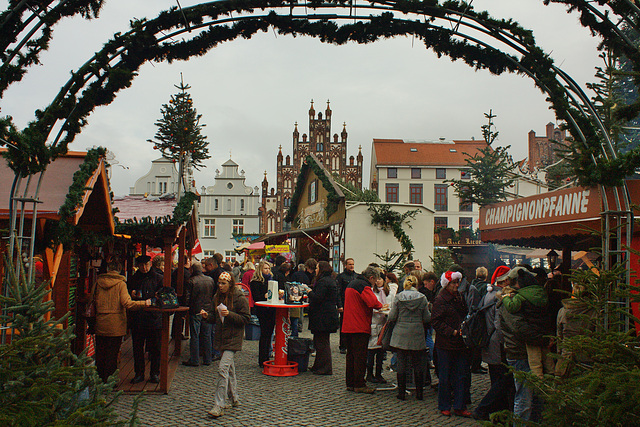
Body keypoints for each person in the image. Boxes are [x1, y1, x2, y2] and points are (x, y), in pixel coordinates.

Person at [202, 272, 251, 418]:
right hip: (222, 337)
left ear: (230, 284)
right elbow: (214, 317)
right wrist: (207, 316)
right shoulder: (217, 296)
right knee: (229, 368)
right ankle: (234, 397)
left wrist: (229, 314)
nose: (220, 285)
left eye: (223, 283)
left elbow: (246, 318)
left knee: (222, 368)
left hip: (233, 338)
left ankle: (219, 405)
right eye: (219, 283)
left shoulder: (239, 297)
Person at [94, 259, 150, 383]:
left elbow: (92, 300)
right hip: (115, 323)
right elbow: (127, 303)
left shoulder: (98, 282)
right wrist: (143, 303)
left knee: (101, 352)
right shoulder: (120, 284)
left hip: (100, 321)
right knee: (112, 353)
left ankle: (99, 378)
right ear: (119, 270)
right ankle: (110, 380)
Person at [473, 265, 515, 421]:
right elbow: (499, 324)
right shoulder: (499, 297)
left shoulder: (488, 295)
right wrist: (507, 342)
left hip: (489, 341)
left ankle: (498, 414)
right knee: (503, 379)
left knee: (496, 378)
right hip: (498, 343)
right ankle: (483, 409)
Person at [431, 270, 472, 418]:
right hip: (446, 344)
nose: (456, 285)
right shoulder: (440, 299)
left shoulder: (459, 297)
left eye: (457, 282)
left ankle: (460, 405)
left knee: (461, 375)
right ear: (447, 284)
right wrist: (452, 332)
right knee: (445, 376)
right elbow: (435, 321)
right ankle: (444, 405)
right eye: (454, 282)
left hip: (460, 343)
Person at [342, 265, 387, 394]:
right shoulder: (363, 285)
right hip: (359, 325)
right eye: (375, 280)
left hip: (348, 325)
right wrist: (382, 306)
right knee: (360, 356)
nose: (375, 284)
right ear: (371, 278)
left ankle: (350, 383)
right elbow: (373, 302)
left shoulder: (352, 283)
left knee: (350, 356)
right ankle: (359, 384)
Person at [389, 275, 431, 400]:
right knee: (417, 363)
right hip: (417, 332)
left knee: (401, 361)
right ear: (416, 285)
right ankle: (419, 393)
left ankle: (401, 393)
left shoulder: (398, 297)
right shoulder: (422, 298)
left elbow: (392, 317)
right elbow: (427, 318)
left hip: (401, 333)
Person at [128, 254, 164, 384]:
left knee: (156, 349)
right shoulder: (133, 278)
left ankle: (155, 373)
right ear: (138, 266)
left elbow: (161, 295)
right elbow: (128, 295)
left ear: (150, 264)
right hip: (137, 318)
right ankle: (139, 373)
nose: (144, 267)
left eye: (146, 265)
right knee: (137, 348)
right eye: (142, 265)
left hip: (154, 319)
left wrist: (153, 300)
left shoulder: (158, 278)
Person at [307, 261, 340, 375]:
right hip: (326, 315)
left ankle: (325, 368)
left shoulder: (323, 282)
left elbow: (318, 298)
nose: (315, 270)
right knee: (319, 341)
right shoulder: (329, 280)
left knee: (322, 343)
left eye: (316, 268)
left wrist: (309, 292)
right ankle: (318, 365)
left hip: (323, 316)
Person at [182, 261, 215, 367]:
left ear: (192, 270)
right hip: (207, 310)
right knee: (207, 336)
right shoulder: (210, 280)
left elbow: (187, 297)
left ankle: (195, 359)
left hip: (195, 311)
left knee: (195, 336)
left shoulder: (191, 281)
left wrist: (186, 309)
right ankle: (208, 359)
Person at [367, 273, 393, 383]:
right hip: (374, 322)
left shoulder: (388, 293)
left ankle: (378, 373)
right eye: (376, 279)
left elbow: (391, 305)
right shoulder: (372, 292)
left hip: (383, 323)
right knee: (371, 351)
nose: (378, 281)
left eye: (380, 279)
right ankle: (369, 374)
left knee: (381, 352)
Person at [249, 260, 275, 368]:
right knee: (264, 334)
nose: (267, 270)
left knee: (269, 334)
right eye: (265, 268)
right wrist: (264, 296)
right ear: (260, 269)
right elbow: (256, 297)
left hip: (272, 310)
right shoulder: (256, 282)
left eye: (268, 268)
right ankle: (262, 359)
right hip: (262, 311)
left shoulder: (272, 280)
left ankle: (267, 356)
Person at [336, 258, 356, 354]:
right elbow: (338, 292)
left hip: (354, 305)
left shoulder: (356, 276)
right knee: (343, 326)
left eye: (352, 264)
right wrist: (339, 305)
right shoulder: (341, 277)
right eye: (350, 264)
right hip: (345, 304)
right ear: (345, 265)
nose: (352, 266)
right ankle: (343, 345)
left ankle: (351, 344)